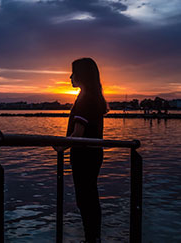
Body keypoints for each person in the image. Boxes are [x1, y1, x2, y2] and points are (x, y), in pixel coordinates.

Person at [66, 58, 108, 243]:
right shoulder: (95, 97)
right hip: (94, 153)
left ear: (82, 75)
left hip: (83, 155)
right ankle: (94, 237)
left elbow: (78, 133)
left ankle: (91, 238)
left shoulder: (85, 99)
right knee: (90, 196)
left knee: (84, 198)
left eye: (73, 72)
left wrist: (60, 145)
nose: (70, 77)